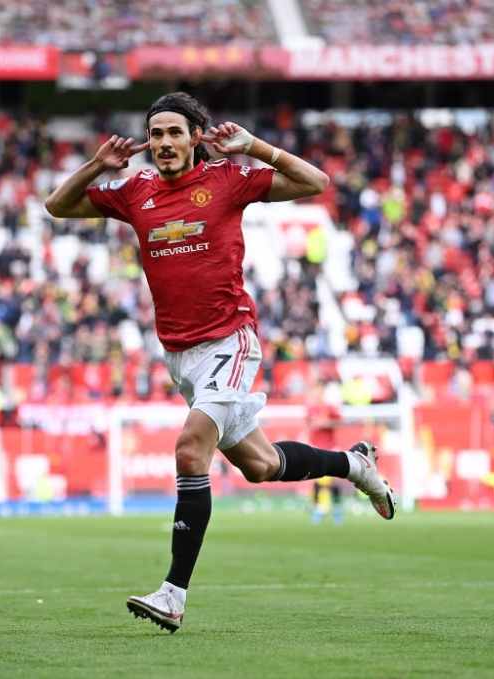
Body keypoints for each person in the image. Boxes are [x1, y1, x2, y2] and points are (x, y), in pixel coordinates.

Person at [46, 92, 396, 633]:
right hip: (180, 355)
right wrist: (97, 164)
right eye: (155, 134)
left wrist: (255, 147)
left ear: (194, 138)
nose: (164, 143)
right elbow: (58, 205)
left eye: (174, 133)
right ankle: (354, 465)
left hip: (230, 341)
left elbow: (315, 183)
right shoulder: (134, 192)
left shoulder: (228, 179)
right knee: (260, 466)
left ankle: (172, 593)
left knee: (190, 449)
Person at [305, 382, 344, 524]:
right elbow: (309, 425)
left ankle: (337, 509)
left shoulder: (330, 407)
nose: (317, 393)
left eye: (319, 391)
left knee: (331, 481)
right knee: (316, 480)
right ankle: (318, 509)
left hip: (330, 447)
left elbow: (339, 421)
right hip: (315, 448)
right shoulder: (311, 409)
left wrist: (326, 423)